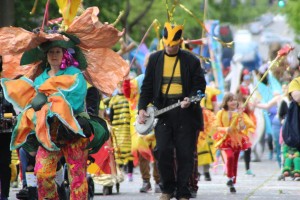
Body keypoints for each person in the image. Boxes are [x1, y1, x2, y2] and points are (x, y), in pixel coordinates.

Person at [138, 22, 206, 200]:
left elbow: (200, 87)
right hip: (163, 111)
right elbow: (146, 87)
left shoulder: (191, 60)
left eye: (174, 44)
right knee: (163, 151)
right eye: (167, 44)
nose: (170, 47)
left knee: (185, 153)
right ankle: (167, 188)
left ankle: (183, 190)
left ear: (180, 42)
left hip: (185, 111)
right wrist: (141, 109)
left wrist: (190, 99)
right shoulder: (154, 59)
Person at [123, 72, 161, 193]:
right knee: (141, 151)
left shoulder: (162, 77)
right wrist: (126, 81)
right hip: (141, 121)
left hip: (158, 119)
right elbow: (128, 93)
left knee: (158, 151)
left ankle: (159, 181)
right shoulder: (139, 80)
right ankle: (146, 181)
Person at [213, 93, 255, 193]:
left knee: (235, 161)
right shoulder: (220, 113)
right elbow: (216, 127)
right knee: (230, 157)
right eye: (231, 100)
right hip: (225, 139)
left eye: (235, 100)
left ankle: (232, 181)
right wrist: (225, 129)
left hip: (237, 140)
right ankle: (229, 177)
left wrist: (240, 117)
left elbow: (242, 127)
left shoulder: (239, 114)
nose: (233, 102)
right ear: (226, 102)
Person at [108, 81, 134, 181]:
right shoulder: (113, 100)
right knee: (117, 151)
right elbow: (111, 116)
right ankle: (119, 172)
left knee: (129, 152)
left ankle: (130, 173)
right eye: (120, 86)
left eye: (123, 87)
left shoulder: (129, 99)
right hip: (117, 129)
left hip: (127, 129)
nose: (121, 89)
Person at [0, 56, 16, 200]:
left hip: (4, 133)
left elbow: (13, 109)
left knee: (4, 164)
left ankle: (4, 195)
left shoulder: (6, 85)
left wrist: (10, 117)